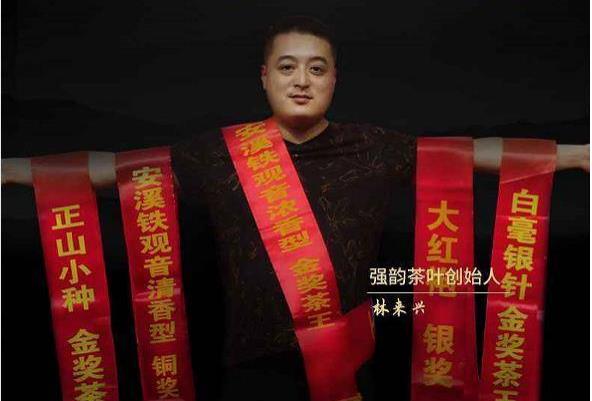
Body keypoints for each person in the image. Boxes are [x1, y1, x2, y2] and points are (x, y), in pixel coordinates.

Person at [2, 15, 589, 401]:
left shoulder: (375, 147)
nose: (301, 80)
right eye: (287, 67)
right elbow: (118, 170)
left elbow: (468, 155)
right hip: (252, 371)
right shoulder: (218, 153)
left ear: (334, 79)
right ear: (265, 78)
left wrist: (576, 155)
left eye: (316, 68)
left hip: (347, 367)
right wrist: (10, 170)